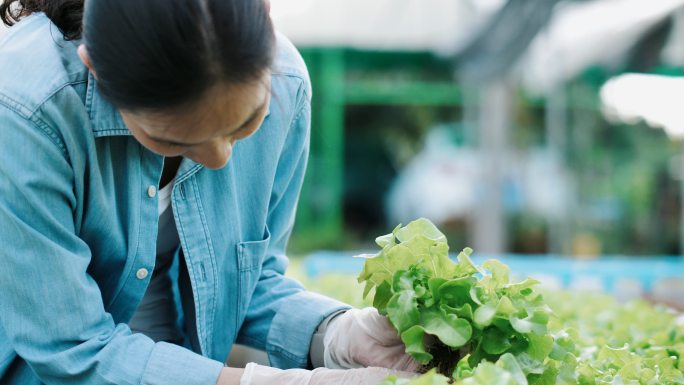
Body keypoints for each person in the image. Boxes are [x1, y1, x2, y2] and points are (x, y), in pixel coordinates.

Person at [0, 0, 419, 384]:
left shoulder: (286, 82)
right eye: (173, 138)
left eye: (246, 121)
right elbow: (70, 347)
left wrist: (335, 333)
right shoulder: (24, 113)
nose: (219, 159)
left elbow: (245, 281)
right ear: (95, 67)